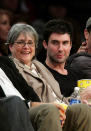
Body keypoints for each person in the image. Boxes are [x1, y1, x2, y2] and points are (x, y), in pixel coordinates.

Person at [3, 22, 91, 131]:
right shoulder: (10, 67)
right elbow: (18, 101)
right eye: (21, 42)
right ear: (11, 46)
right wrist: (53, 106)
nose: (26, 47)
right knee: (51, 110)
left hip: (58, 110)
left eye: (30, 43)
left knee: (82, 109)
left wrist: (79, 99)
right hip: (37, 113)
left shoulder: (38, 65)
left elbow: (59, 98)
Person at [42, 19, 83, 97]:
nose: (60, 49)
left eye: (65, 43)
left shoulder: (79, 75)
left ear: (70, 45)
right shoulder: (39, 75)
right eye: (55, 43)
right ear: (45, 44)